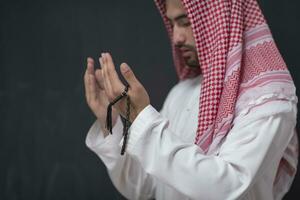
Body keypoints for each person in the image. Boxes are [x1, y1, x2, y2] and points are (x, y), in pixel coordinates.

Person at [83, 0, 298, 199]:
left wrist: (141, 119)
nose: (176, 37)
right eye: (172, 23)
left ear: (220, 20)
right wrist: (110, 122)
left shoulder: (268, 101)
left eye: (185, 22)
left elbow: (226, 188)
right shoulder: (182, 93)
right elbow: (144, 187)